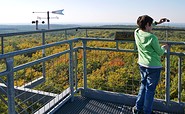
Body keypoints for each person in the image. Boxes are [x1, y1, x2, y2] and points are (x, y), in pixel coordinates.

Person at [133, 15, 169, 114]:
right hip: (153, 67)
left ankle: (137, 108)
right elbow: (160, 52)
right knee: (150, 91)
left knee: (143, 86)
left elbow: (144, 27)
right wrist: (164, 47)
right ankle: (147, 111)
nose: (152, 27)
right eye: (151, 25)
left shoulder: (136, 32)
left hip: (142, 64)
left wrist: (157, 23)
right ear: (148, 25)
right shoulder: (152, 37)